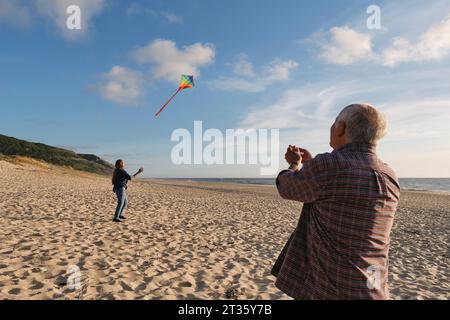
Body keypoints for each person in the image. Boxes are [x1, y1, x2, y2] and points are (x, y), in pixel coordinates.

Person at [272, 103, 400, 300]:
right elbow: (337, 191)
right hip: (372, 287)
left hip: (333, 286)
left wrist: (294, 164)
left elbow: (287, 187)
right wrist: (311, 164)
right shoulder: (389, 174)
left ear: (340, 128)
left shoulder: (329, 166)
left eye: (334, 123)